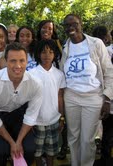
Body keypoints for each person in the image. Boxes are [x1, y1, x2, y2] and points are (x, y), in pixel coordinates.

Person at [60, 14, 113, 166]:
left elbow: (109, 71)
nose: (71, 27)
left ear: (81, 24)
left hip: (93, 97)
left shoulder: (96, 44)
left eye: (74, 23)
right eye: (67, 25)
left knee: (88, 139)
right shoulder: (65, 47)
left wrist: (107, 98)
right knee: (73, 137)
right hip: (71, 96)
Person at [0, 42, 43, 166]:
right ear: (6, 61)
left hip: (19, 115)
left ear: (27, 61)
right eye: (13, 61)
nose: (18, 66)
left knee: (30, 149)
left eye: (22, 60)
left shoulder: (36, 83)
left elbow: (31, 116)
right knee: (0, 152)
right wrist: (12, 143)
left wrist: (19, 141)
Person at [30, 39, 66, 166]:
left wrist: (62, 117)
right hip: (37, 120)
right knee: (37, 151)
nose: (47, 55)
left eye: (51, 52)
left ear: (55, 54)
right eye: (44, 52)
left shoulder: (59, 74)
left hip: (54, 119)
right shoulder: (31, 74)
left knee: (51, 150)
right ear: (38, 54)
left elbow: (60, 96)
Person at [92, 25, 113, 166]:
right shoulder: (107, 51)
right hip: (108, 98)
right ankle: (105, 159)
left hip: (106, 97)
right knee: (108, 132)